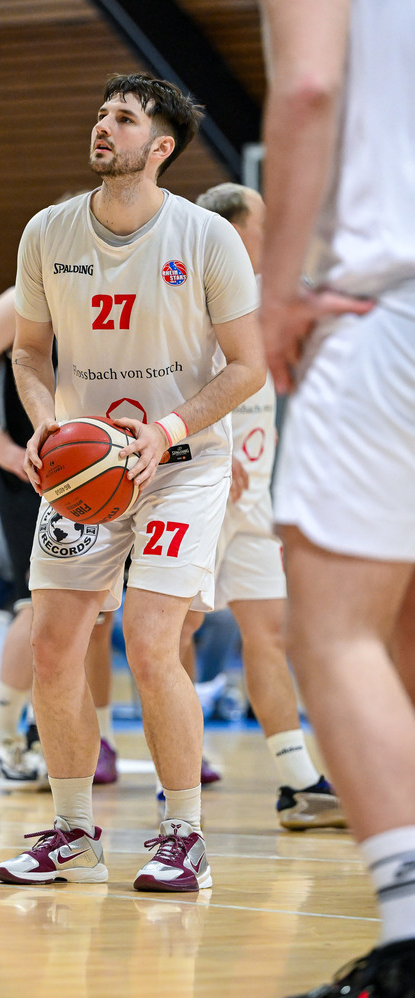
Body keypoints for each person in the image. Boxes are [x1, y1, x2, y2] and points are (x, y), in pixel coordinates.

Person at [0, 71, 266, 891]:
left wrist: (170, 428)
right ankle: (73, 831)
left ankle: (184, 834)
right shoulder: (47, 232)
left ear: (162, 147)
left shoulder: (206, 238)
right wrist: (43, 419)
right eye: (101, 115)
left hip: (181, 462)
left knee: (151, 642)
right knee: (52, 646)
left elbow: (248, 367)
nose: (103, 127)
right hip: (85, 470)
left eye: (123, 117)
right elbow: (27, 354)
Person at [258, 0, 415, 998]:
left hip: (389, 305)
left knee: (333, 631)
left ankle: (412, 947)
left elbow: (307, 88)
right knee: (400, 633)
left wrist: (278, 292)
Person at [175, 183, 345, 830]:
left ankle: (299, 783)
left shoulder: (265, 296)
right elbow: (167, 382)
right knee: (178, 630)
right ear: (229, 231)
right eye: (262, 226)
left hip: (255, 497)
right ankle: (178, 771)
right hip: (203, 484)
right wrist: (210, 445)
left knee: (268, 633)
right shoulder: (190, 295)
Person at [0, 288, 118, 789]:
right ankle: (2, 738)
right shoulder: (27, 297)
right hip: (37, 472)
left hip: (98, 473)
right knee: (35, 605)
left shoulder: (113, 292)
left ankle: (79, 737)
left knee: (95, 614)